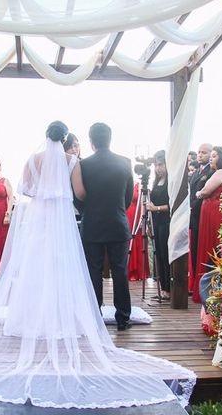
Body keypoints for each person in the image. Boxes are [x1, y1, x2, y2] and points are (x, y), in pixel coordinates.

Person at [0, 121, 195, 410]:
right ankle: (68, 317)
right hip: (64, 222)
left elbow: (25, 189)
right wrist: (63, 194)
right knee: (66, 269)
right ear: (66, 139)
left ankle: (30, 316)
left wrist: (44, 194)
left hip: (40, 221)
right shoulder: (72, 161)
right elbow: (79, 193)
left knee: (35, 270)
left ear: (45, 137)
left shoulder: (32, 159)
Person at [78, 122, 133, 331]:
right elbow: (127, 198)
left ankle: (94, 315)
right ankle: (123, 318)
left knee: (93, 271)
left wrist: (88, 211)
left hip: (92, 224)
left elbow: (78, 197)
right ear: (110, 139)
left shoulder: (83, 165)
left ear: (91, 141)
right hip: (118, 223)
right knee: (120, 271)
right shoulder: (125, 163)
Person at [192, 146, 222, 304]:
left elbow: (204, 192)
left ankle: (207, 288)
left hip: (213, 214)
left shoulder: (221, 173)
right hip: (214, 212)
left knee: (211, 246)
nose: (211, 158)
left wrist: (198, 193)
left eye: (214, 156)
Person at [146, 150, 170, 299]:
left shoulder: (171, 182)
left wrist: (157, 208)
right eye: (156, 165)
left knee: (165, 254)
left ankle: (169, 287)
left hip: (166, 222)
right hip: (156, 221)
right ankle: (163, 287)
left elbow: (173, 204)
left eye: (160, 164)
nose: (158, 168)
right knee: (158, 255)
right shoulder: (156, 182)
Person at [188, 143, 213, 294]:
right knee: (195, 249)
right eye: (199, 152)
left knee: (201, 248)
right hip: (193, 216)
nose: (200, 155)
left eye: (204, 152)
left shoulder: (211, 172)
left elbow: (203, 194)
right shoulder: (196, 172)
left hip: (201, 213)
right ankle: (195, 283)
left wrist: (192, 207)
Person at [126, 178, 149, 280]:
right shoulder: (124, 181)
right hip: (127, 215)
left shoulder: (139, 184)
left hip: (137, 214)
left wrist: (143, 217)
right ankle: (130, 271)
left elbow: (143, 201)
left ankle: (140, 272)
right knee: (129, 241)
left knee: (138, 241)